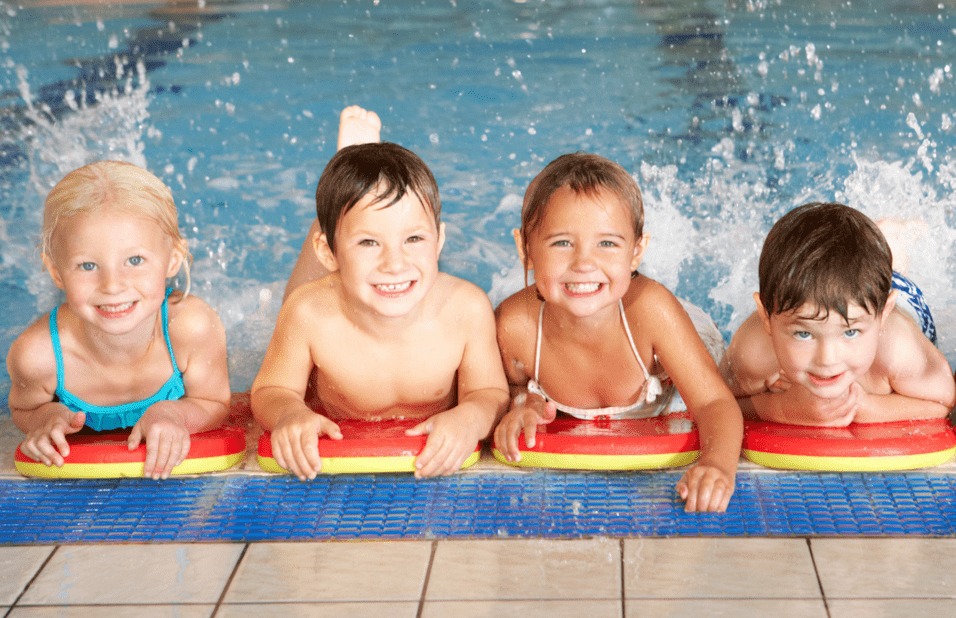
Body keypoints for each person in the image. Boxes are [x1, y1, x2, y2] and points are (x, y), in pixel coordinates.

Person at [252, 106, 510, 480]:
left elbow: (490, 391)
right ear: (329, 250)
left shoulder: (465, 309)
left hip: (354, 273)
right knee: (300, 295)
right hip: (329, 290)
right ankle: (348, 175)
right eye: (370, 242)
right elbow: (271, 389)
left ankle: (356, 185)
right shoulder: (309, 312)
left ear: (439, 242)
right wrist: (290, 413)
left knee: (351, 242)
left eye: (415, 238)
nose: (395, 263)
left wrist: (471, 417)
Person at [493, 153, 742, 513]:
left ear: (636, 252)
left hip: (669, 343)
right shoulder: (515, 328)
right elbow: (506, 387)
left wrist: (717, 464)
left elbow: (714, 402)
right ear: (525, 249)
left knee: (746, 371)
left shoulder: (653, 312)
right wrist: (524, 403)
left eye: (607, 243)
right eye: (562, 243)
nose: (583, 264)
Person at [7, 161, 231, 479]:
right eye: (87, 266)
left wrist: (174, 413)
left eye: (135, 260)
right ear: (56, 271)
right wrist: (47, 417)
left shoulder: (191, 328)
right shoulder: (37, 356)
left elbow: (214, 402)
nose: (112, 285)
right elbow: (23, 409)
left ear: (173, 260)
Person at [720, 202, 955, 426]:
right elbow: (713, 400)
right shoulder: (753, 352)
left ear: (884, 314)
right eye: (803, 334)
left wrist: (866, 407)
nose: (827, 359)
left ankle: (894, 241)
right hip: (856, 303)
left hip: (899, 299)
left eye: (851, 332)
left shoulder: (897, 350)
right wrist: (783, 409)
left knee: (892, 270)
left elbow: (945, 403)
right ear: (765, 319)